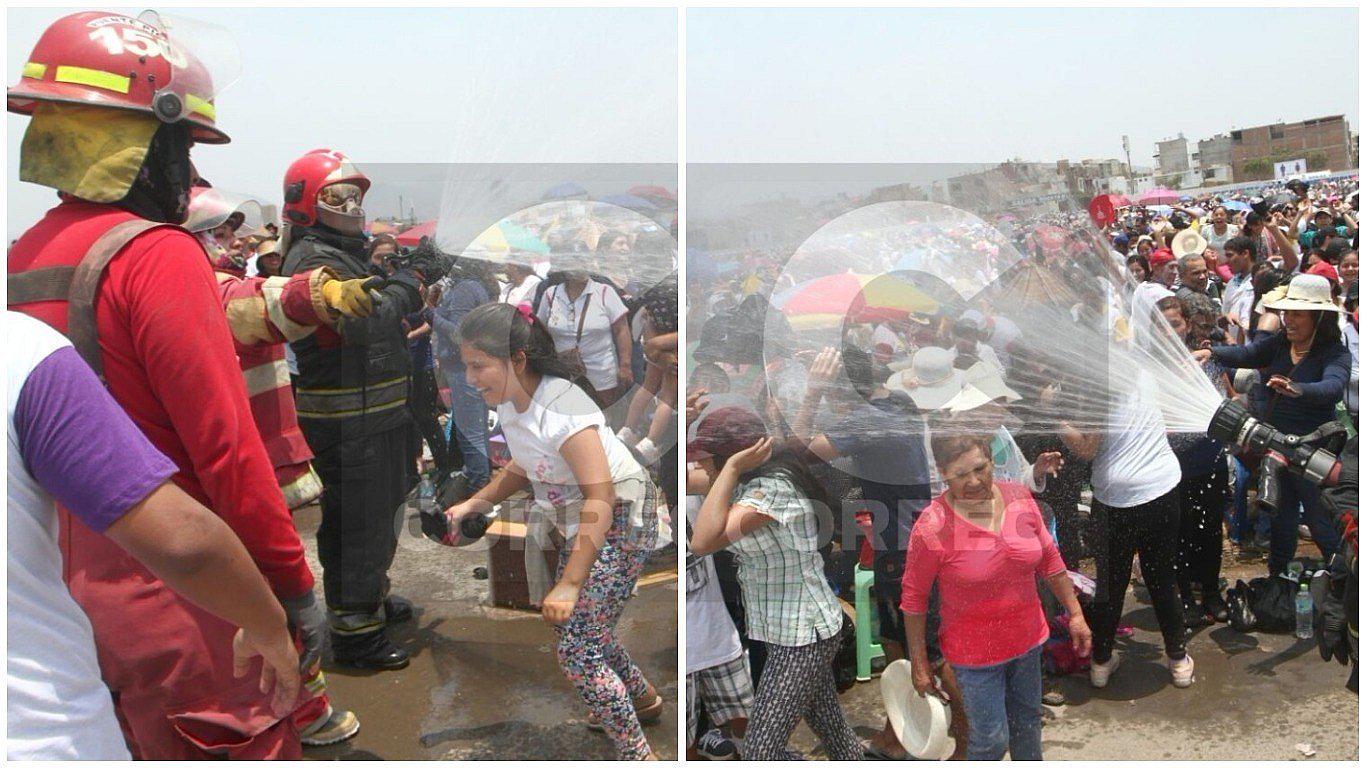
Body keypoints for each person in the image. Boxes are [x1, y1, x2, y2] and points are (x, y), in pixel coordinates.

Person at [7, 12, 322, 757]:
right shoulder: (159, 255)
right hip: (191, 597)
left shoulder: (24, 254)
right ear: (153, 143)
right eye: (182, 146)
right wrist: (290, 589)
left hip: (73, 588)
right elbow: (229, 452)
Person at [6, 312, 301, 760]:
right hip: (45, 734)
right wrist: (271, 622)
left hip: (96, 601)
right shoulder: (19, 350)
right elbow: (186, 541)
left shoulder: (24, 278)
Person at [445, 303, 663, 760]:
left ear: (517, 360)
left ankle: (638, 754)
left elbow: (600, 500)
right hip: (585, 521)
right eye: (466, 365)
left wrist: (568, 584)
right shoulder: (510, 401)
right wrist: (476, 502)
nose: (469, 378)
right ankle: (641, 700)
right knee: (588, 634)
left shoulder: (562, 406)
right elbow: (524, 464)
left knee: (578, 649)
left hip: (617, 518)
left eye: (478, 365)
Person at [280, 149, 430, 670]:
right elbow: (368, 321)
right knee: (357, 525)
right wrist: (408, 286)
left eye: (357, 196)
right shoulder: (311, 262)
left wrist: (408, 272)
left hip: (380, 416)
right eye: (338, 197)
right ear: (306, 205)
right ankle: (354, 634)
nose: (354, 207)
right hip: (348, 425)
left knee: (385, 513)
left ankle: (370, 598)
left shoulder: (345, 254)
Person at [688, 406, 863, 761]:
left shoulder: (770, 491)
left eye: (706, 459)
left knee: (758, 753)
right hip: (792, 632)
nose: (700, 467)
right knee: (837, 736)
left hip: (802, 638)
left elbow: (703, 541)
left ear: (732, 457)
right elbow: (688, 479)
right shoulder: (748, 480)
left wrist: (732, 467)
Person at [901, 434, 1090, 761]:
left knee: (1028, 725)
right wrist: (920, 664)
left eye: (980, 468)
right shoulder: (932, 525)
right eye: (961, 475)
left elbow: (1050, 560)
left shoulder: (1018, 497)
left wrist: (1075, 614)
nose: (974, 481)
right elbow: (914, 601)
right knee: (991, 739)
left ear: (991, 461)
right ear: (943, 473)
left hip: (1028, 642)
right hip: (974, 658)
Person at [791, 345, 934, 759]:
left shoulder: (862, 420)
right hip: (921, 533)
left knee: (904, 645)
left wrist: (812, 393)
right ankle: (903, 732)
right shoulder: (899, 404)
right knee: (915, 640)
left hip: (899, 546)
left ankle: (917, 739)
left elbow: (795, 456)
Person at [1198, 274, 1353, 575]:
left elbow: (1333, 386)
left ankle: (1343, 588)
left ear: (1318, 318)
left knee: (1323, 524)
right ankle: (1277, 582)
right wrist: (1213, 353)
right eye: (1286, 313)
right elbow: (1249, 354)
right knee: (1281, 521)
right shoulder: (1281, 343)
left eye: (1297, 314)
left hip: (1314, 455)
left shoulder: (1335, 353)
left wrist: (1300, 389)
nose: (1288, 320)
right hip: (1276, 448)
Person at [1062, 370, 1194, 690]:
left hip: (1114, 498)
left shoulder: (1095, 386)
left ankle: (1101, 663)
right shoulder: (1144, 372)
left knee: (1111, 580)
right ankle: (1178, 660)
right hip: (1160, 487)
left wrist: (1056, 421)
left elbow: (1087, 448)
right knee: (1161, 576)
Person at [1159, 297, 1233, 626]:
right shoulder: (1151, 366)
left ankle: (1211, 594)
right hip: (1171, 466)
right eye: (1161, 326)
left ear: (1186, 324)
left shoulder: (1207, 360)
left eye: (1174, 324)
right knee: (1180, 532)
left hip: (1210, 459)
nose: (1169, 331)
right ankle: (1186, 597)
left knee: (1211, 531)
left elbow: (1227, 401)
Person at [429, 250, 500, 490]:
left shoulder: (464, 290)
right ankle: (481, 478)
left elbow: (460, 333)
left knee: (469, 432)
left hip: (463, 368)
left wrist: (430, 315)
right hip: (468, 366)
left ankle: (479, 485)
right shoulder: (474, 286)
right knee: (475, 427)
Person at [536, 266, 634, 412]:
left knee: (603, 417)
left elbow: (622, 330)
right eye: (575, 263)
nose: (580, 268)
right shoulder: (551, 295)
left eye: (584, 262)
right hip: (563, 374)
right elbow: (540, 330)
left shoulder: (604, 292)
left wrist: (625, 366)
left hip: (601, 376)